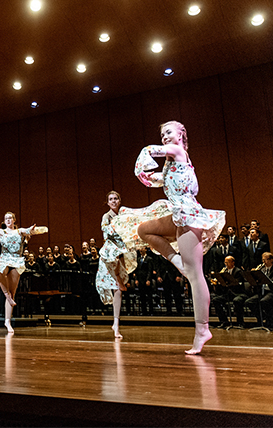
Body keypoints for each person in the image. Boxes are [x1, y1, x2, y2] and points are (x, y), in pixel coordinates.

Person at [112, 121, 225, 354]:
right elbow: (158, 180)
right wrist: (146, 176)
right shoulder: (171, 164)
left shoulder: (178, 151)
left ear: (181, 134)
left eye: (168, 132)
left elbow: (150, 150)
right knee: (144, 230)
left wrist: (145, 156)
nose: (164, 137)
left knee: (195, 275)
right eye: (162, 134)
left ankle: (202, 329)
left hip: (187, 215)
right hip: (176, 213)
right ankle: (177, 262)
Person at [0, 212, 47, 333]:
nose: (8, 220)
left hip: (16, 260)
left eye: (10, 218)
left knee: (12, 291)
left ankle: (7, 321)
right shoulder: (1, 232)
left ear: (14, 220)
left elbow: (30, 231)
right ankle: (7, 296)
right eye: (6, 218)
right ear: (4, 221)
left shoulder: (19, 231)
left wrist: (34, 230)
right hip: (4, 259)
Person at [95, 191, 136, 338]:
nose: (113, 201)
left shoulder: (123, 215)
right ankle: (116, 324)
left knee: (119, 290)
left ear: (119, 200)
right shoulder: (106, 216)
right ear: (107, 202)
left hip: (121, 251)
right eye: (111, 199)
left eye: (116, 198)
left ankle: (116, 323)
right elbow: (107, 233)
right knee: (117, 286)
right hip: (110, 252)